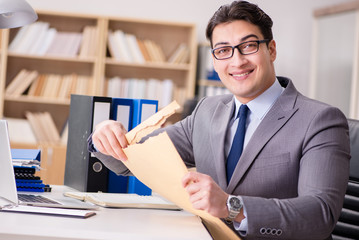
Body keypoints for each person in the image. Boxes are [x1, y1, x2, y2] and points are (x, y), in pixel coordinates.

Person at [88, 1, 350, 239]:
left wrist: (230, 206)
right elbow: (131, 159)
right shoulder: (207, 111)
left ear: (271, 49)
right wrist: (103, 133)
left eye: (248, 46)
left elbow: (320, 214)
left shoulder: (319, 120)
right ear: (214, 60)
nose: (237, 61)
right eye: (223, 50)